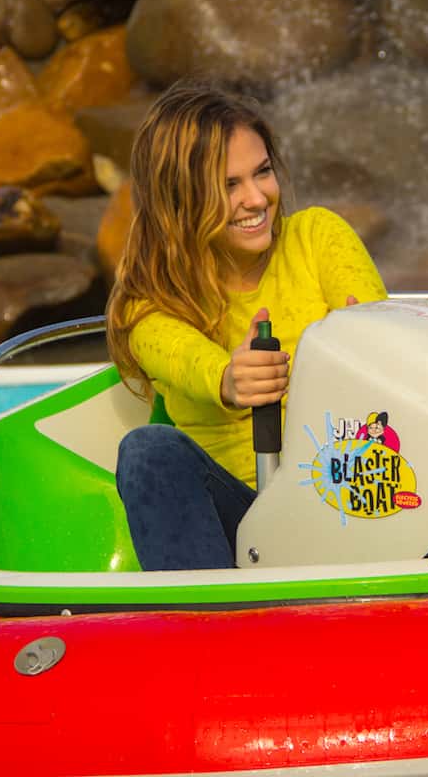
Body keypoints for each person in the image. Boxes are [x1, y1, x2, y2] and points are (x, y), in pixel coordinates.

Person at [105, 80, 387, 571]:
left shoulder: (317, 236)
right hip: (246, 529)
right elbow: (191, 360)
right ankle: (212, 633)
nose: (256, 198)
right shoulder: (148, 305)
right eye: (228, 185)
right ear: (179, 198)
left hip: (362, 497)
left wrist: (369, 339)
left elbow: (383, 338)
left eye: (262, 173)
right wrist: (231, 380)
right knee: (148, 451)